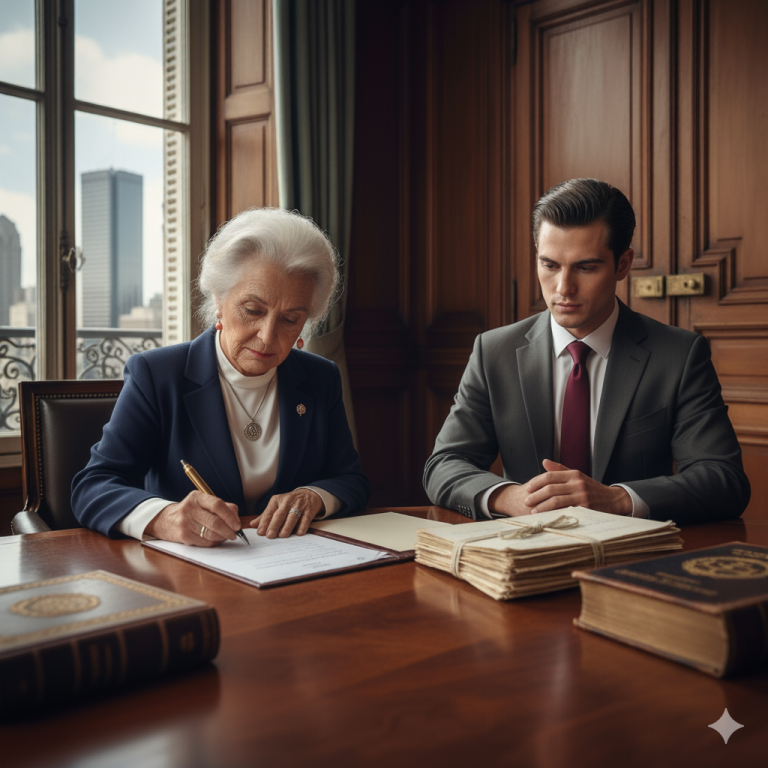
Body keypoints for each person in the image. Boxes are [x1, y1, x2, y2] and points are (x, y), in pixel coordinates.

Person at [423, 178, 750, 524]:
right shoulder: (494, 352)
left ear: (623, 265)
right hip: (523, 557)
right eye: (549, 265)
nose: (564, 288)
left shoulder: (679, 356)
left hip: (630, 562)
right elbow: (444, 465)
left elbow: (723, 479)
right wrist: (510, 497)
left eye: (585, 267)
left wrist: (618, 499)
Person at [72, 207, 370, 546]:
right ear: (219, 299)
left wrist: (313, 495)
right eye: (253, 310)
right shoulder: (157, 375)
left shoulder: (320, 378)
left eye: (290, 319)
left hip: (292, 575)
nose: (267, 336)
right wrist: (163, 518)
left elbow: (351, 480)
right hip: (188, 575)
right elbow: (93, 486)